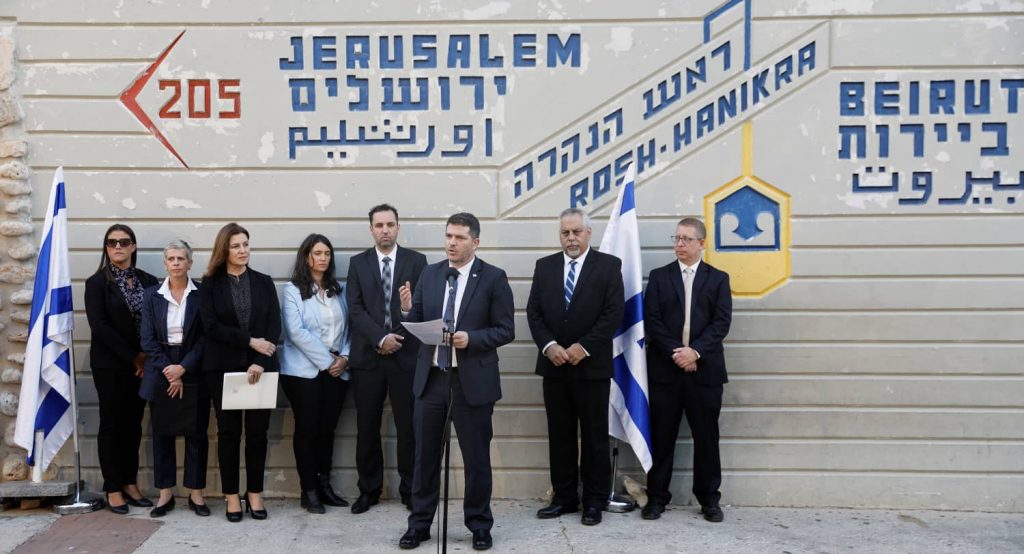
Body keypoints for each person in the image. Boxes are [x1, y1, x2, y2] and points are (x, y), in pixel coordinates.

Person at [398, 213, 515, 551]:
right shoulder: (431, 273)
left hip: (471, 382)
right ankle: (419, 524)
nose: (451, 243)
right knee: (425, 457)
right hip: (432, 379)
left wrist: (471, 338)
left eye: (460, 238)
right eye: (448, 236)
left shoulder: (493, 278)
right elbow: (417, 320)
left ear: (475, 242)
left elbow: (506, 329)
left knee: (476, 458)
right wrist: (407, 311)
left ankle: (479, 525)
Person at [526, 208, 624, 526]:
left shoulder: (608, 267)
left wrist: (584, 347)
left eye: (576, 232)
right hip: (554, 367)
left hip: (591, 368)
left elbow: (613, 313)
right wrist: (549, 346)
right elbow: (534, 312)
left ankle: (594, 501)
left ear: (588, 233)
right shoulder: (545, 267)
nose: (570, 238)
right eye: (565, 233)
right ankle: (565, 498)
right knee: (560, 435)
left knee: (594, 437)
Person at [642, 217, 732, 523]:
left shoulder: (718, 279)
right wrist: (677, 353)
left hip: (704, 373)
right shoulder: (659, 277)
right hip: (666, 373)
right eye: (677, 238)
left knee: (706, 439)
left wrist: (695, 352)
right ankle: (656, 498)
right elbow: (651, 321)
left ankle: (709, 500)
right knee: (662, 437)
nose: (679, 244)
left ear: (702, 243)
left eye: (686, 239)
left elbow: (721, 323)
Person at [347, 204, 426, 514]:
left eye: (390, 224)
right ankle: (369, 490)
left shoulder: (417, 262)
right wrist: (380, 338)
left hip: (405, 356)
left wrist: (398, 328)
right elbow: (354, 309)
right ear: (371, 229)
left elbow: (420, 307)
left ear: (398, 227)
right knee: (367, 427)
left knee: (409, 427)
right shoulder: (358, 264)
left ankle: (411, 489)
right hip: (368, 358)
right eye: (378, 225)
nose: (384, 230)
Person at [199, 222, 281, 522]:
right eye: (236, 246)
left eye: (246, 244)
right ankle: (232, 495)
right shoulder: (210, 284)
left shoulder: (263, 281)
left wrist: (261, 359)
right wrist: (250, 341)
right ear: (224, 249)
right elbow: (210, 327)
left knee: (258, 434)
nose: (243, 250)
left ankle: (255, 493)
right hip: (223, 369)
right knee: (229, 434)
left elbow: (274, 324)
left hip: (261, 369)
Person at [84, 223, 158, 513]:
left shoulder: (149, 280)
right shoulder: (97, 282)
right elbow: (100, 326)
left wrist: (146, 356)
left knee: (134, 425)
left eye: (124, 242)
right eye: (112, 242)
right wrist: (133, 357)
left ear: (133, 247)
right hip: (111, 365)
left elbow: (157, 319)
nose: (118, 247)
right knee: (112, 425)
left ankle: (130, 482)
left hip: (142, 365)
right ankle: (112, 487)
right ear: (106, 248)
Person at [280, 234, 352, 514]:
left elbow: (350, 327)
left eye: (326, 253)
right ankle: (308, 489)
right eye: (317, 253)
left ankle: (324, 485)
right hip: (303, 372)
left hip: (337, 370)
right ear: (306, 256)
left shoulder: (339, 289)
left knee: (327, 430)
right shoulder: (292, 290)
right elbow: (296, 332)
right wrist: (328, 361)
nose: (322, 258)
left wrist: (344, 358)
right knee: (308, 429)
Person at [139, 239, 210, 517]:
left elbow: (206, 337)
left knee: (197, 434)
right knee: (162, 434)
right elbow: (147, 339)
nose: (177, 263)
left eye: (182, 259)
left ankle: (196, 493)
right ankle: (165, 494)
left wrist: (183, 368)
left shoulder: (202, 295)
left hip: (194, 367)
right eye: (172, 259)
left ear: (190, 263)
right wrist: (170, 370)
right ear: (165, 263)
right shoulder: (151, 295)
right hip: (161, 369)